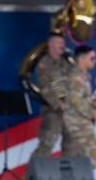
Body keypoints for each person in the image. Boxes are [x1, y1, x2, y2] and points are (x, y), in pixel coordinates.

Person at [29, 33, 75, 163]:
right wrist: (58, 104)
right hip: (53, 111)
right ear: (50, 44)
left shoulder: (66, 64)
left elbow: (71, 85)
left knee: (70, 146)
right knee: (46, 145)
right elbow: (45, 88)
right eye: (58, 43)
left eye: (63, 43)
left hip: (69, 111)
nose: (62, 46)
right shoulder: (44, 64)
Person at [62, 45, 96, 168]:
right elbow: (75, 100)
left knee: (73, 159)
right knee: (89, 159)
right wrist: (92, 113)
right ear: (81, 59)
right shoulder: (77, 77)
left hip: (76, 122)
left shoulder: (82, 76)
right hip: (78, 124)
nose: (95, 61)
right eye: (92, 58)